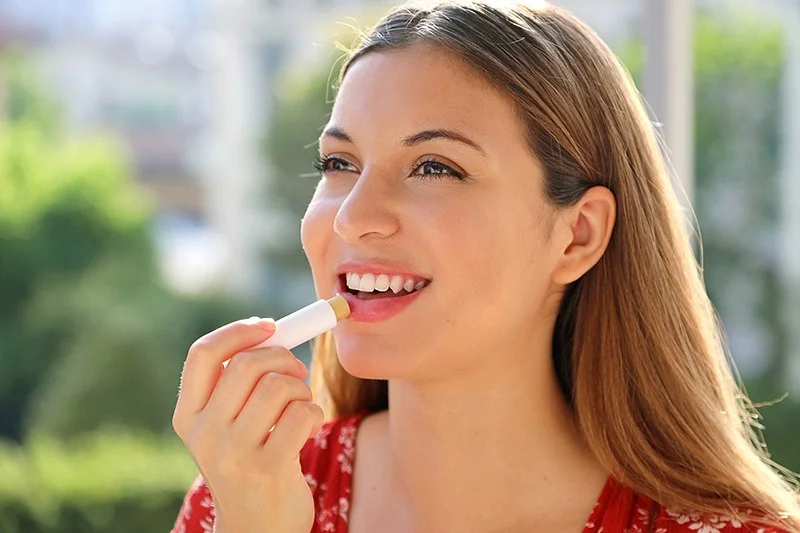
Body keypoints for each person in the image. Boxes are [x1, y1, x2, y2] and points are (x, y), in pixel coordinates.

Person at [169, 1, 800, 531]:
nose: (352, 216)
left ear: (577, 235)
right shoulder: (246, 494)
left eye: (435, 167)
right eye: (339, 164)